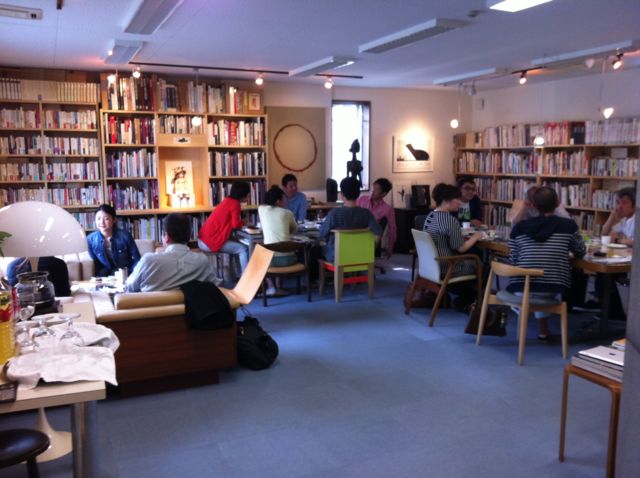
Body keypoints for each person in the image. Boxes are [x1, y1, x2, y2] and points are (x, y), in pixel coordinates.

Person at [508, 187, 586, 339]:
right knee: (545, 280)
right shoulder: (568, 226)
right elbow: (581, 251)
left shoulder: (519, 227)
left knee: (533, 281)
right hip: (553, 286)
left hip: (520, 286)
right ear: (557, 203)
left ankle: (532, 322)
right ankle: (544, 330)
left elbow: (513, 258)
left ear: (533, 205)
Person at [423, 183, 484, 307]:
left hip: (431, 264)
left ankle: (462, 293)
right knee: (481, 263)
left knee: (474, 257)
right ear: (447, 201)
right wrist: (476, 237)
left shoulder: (431, 216)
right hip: (447, 266)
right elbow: (461, 248)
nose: (460, 202)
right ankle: (473, 298)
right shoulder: (450, 220)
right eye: (457, 199)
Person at [125, 213, 217, 292]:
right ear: (189, 236)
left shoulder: (148, 261)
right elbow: (216, 286)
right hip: (190, 308)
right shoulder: (202, 261)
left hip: (151, 307)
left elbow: (129, 287)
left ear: (166, 237)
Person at [319, 177, 382, 262]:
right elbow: (378, 232)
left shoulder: (334, 213)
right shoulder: (366, 214)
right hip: (360, 255)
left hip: (337, 257)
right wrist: (370, 249)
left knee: (315, 249)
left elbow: (322, 234)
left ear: (342, 194)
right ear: (358, 194)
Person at [198, 181, 250, 271]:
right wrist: (244, 222)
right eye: (248, 194)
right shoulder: (235, 204)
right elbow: (235, 225)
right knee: (243, 249)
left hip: (202, 240)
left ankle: (237, 274)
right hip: (209, 242)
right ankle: (246, 277)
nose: (248, 197)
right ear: (243, 194)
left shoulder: (227, 200)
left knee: (237, 245)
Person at [258, 185, 298, 296]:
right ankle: (278, 286)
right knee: (281, 248)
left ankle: (271, 287)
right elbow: (294, 229)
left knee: (261, 256)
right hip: (288, 259)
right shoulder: (287, 213)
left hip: (270, 261)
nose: (285, 201)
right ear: (278, 201)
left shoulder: (261, 209)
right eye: (283, 199)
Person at [86, 204, 141, 277]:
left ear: (114, 220)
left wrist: (131, 274)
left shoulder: (125, 236)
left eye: (106, 219)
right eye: (98, 218)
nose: (101, 222)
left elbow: (137, 259)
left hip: (126, 274)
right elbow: (95, 263)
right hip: (106, 276)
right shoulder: (90, 240)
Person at [356, 177, 397, 258]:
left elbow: (392, 229)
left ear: (383, 194)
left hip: (371, 237)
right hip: (356, 231)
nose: (372, 191)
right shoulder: (362, 199)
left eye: (376, 190)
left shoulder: (387, 209)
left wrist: (390, 247)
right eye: (373, 188)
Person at [6, 257, 71, 297]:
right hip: (52, 308)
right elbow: (65, 294)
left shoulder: (11, 265)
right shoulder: (58, 264)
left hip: (22, 311)